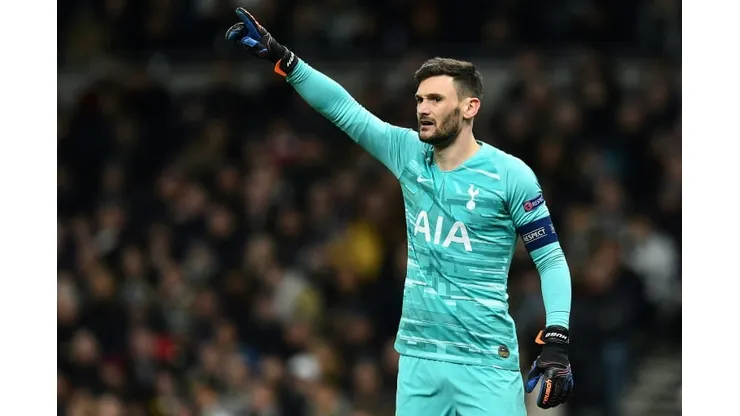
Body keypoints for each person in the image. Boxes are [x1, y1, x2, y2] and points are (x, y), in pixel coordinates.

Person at [225, 7, 574, 415]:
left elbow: (550, 259)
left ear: (470, 107)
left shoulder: (511, 176)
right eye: (420, 99)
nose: (423, 108)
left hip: (484, 361)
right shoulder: (408, 152)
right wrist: (286, 60)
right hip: (417, 358)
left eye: (436, 99)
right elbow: (345, 111)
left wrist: (557, 337)